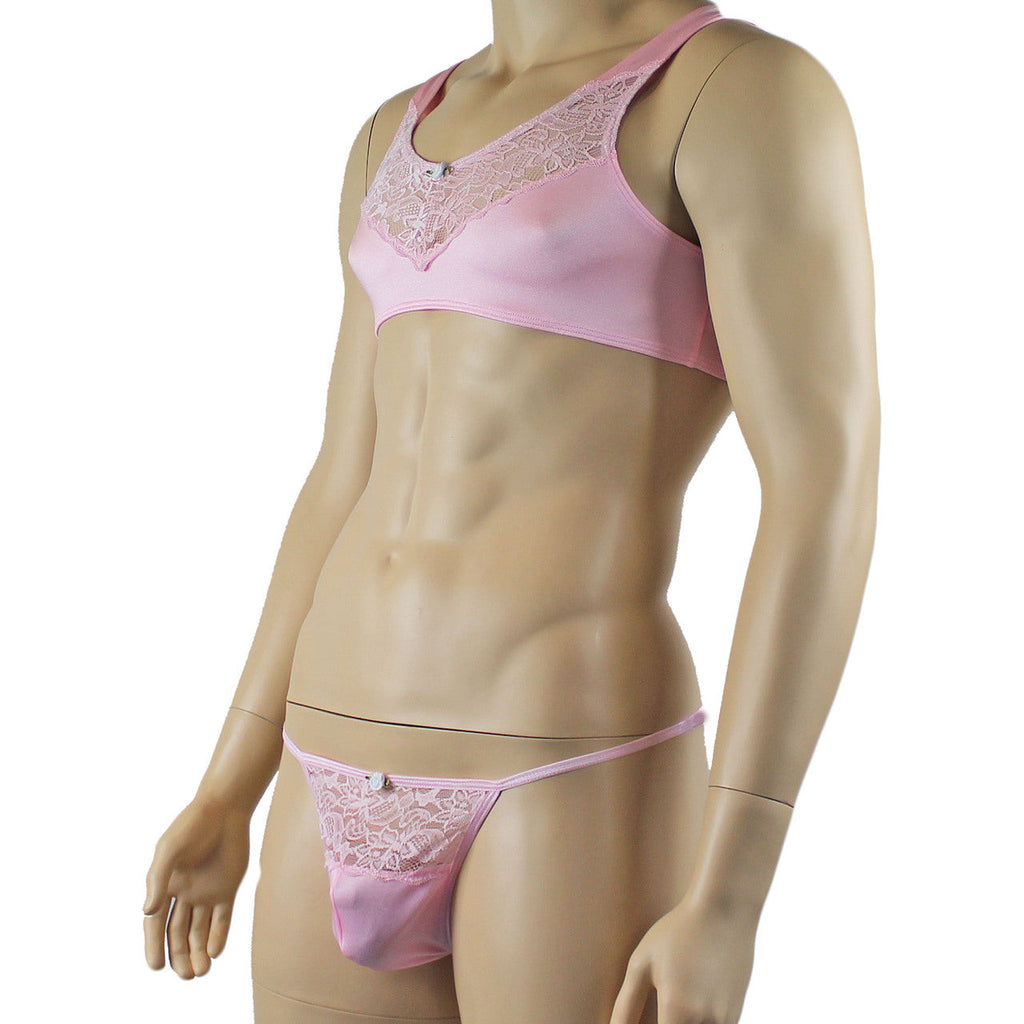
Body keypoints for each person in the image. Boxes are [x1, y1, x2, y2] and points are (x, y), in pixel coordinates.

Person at [142, 1, 879, 1021]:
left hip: (563, 759)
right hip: (324, 752)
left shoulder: (730, 92)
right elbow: (343, 475)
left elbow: (822, 483)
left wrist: (730, 895)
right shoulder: (390, 132)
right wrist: (231, 778)